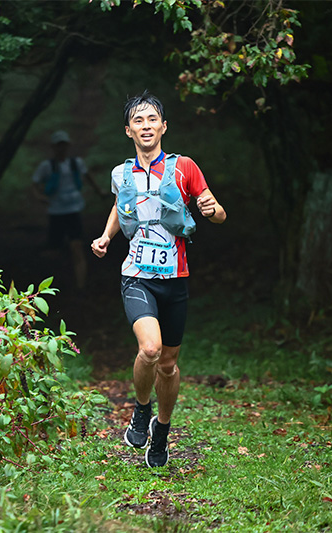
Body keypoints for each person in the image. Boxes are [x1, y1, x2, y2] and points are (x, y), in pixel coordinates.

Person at [90, 91, 226, 467]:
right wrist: (106, 237)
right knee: (149, 350)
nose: (146, 126)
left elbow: (218, 214)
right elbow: (121, 206)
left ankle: (161, 431)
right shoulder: (121, 173)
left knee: (168, 365)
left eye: (152, 119)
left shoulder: (184, 167)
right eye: (138, 120)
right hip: (137, 275)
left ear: (163, 126)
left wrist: (211, 210)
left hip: (175, 278)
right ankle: (140, 409)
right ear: (128, 131)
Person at [32, 130, 104, 290]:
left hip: (73, 210)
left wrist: (100, 192)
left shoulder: (75, 163)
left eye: (64, 145)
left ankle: (80, 287)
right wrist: (40, 197)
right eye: (59, 146)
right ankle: (51, 285)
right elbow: (34, 183)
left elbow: (88, 177)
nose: (61, 149)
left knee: (77, 247)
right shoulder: (47, 166)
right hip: (56, 212)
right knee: (53, 250)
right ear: (53, 147)